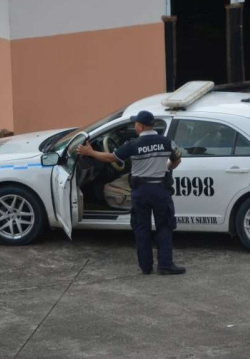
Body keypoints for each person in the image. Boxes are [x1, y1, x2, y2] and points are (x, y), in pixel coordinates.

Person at [76, 110, 186, 275]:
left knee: (142, 228)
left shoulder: (132, 145)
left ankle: (146, 267)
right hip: (160, 190)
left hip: (140, 191)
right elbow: (177, 160)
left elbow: (111, 158)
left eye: (136, 124)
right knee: (164, 226)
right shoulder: (166, 142)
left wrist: (90, 152)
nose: (135, 126)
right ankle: (165, 265)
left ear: (141, 127)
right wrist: (166, 169)